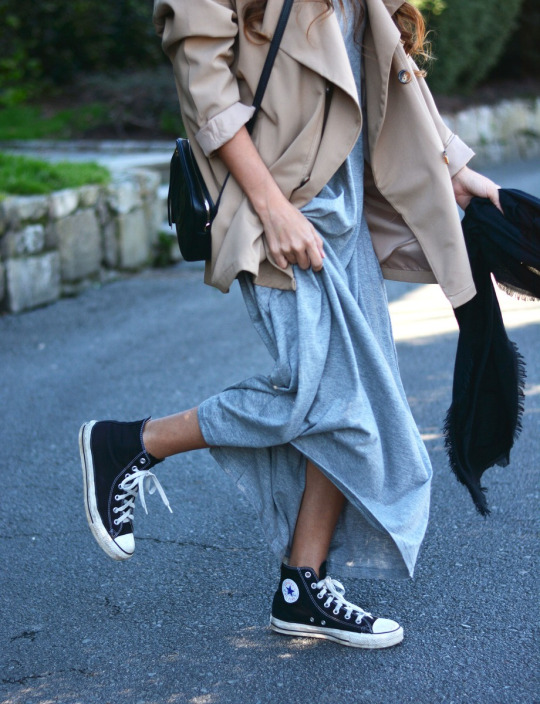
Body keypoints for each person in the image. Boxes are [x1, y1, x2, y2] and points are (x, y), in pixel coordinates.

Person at [79, 0, 501, 649]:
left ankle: (301, 586)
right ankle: (132, 442)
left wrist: (451, 168)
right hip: (278, 205)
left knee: (356, 389)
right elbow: (205, 86)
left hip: (348, 206)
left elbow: (383, 58)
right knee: (336, 398)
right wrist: (272, 207)